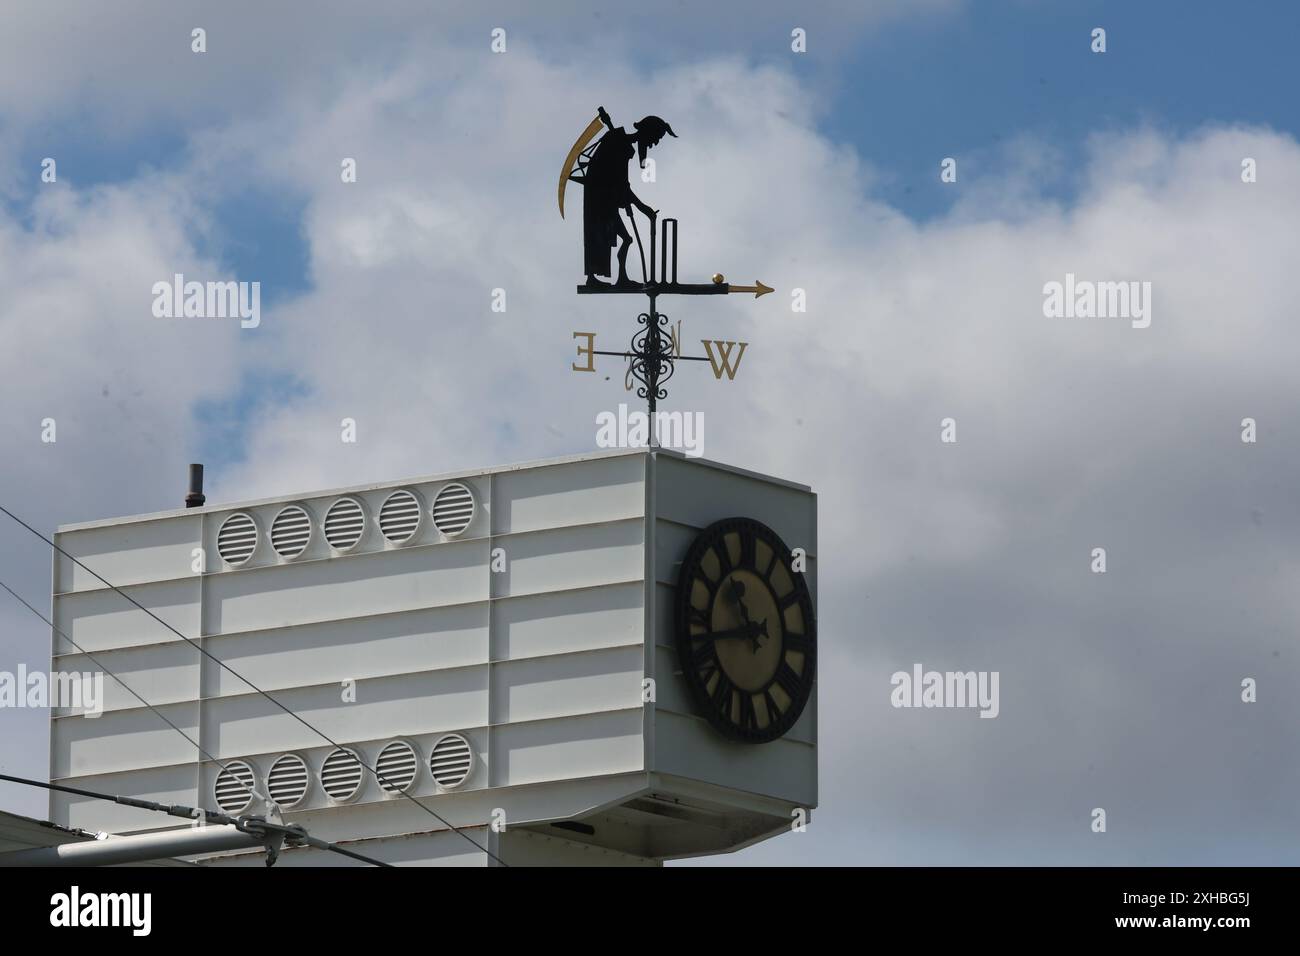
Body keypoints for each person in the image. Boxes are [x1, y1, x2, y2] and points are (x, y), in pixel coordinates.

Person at [582, 107, 676, 288]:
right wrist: (643, 208)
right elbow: (620, 184)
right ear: (647, 133)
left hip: (606, 201)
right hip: (600, 203)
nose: (654, 143)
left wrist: (635, 204)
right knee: (602, 237)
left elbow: (621, 185)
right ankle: (596, 278)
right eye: (655, 138)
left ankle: (616, 278)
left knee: (624, 239)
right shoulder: (618, 143)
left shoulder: (622, 144)